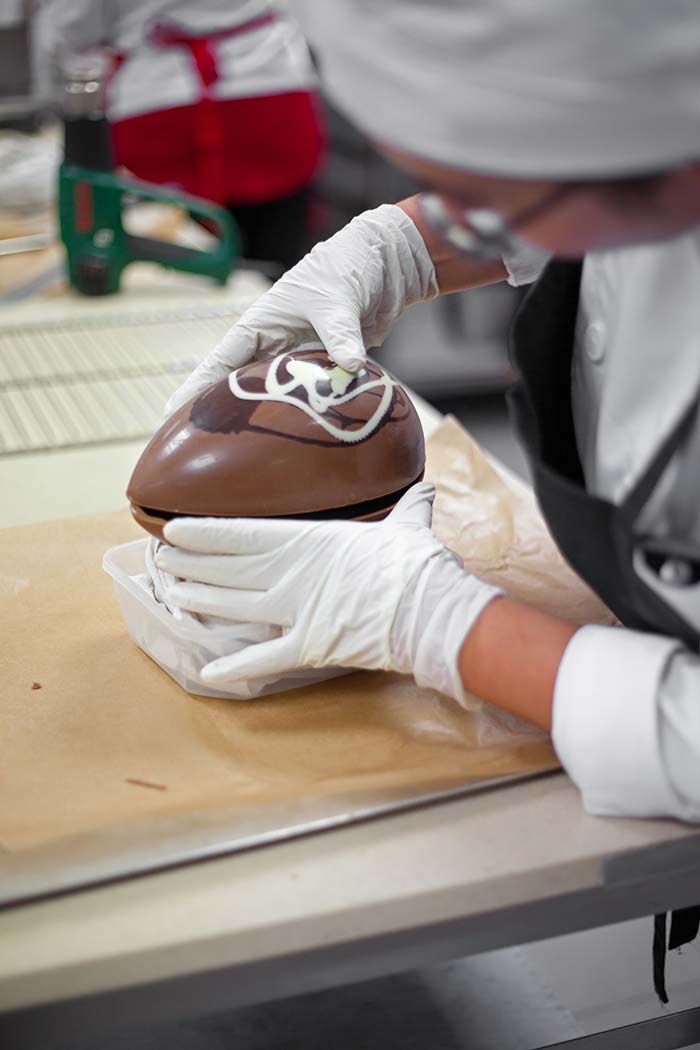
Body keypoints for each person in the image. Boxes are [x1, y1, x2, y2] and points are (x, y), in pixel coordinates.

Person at [155, 0, 700, 826]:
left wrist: (439, 623)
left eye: (490, 182)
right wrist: (400, 247)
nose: (463, 216)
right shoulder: (643, 126)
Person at [34, 0, 325, 270]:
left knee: (168, 269)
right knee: (278, 275)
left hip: (158, 103)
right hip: (272, 90)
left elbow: (70, 29)